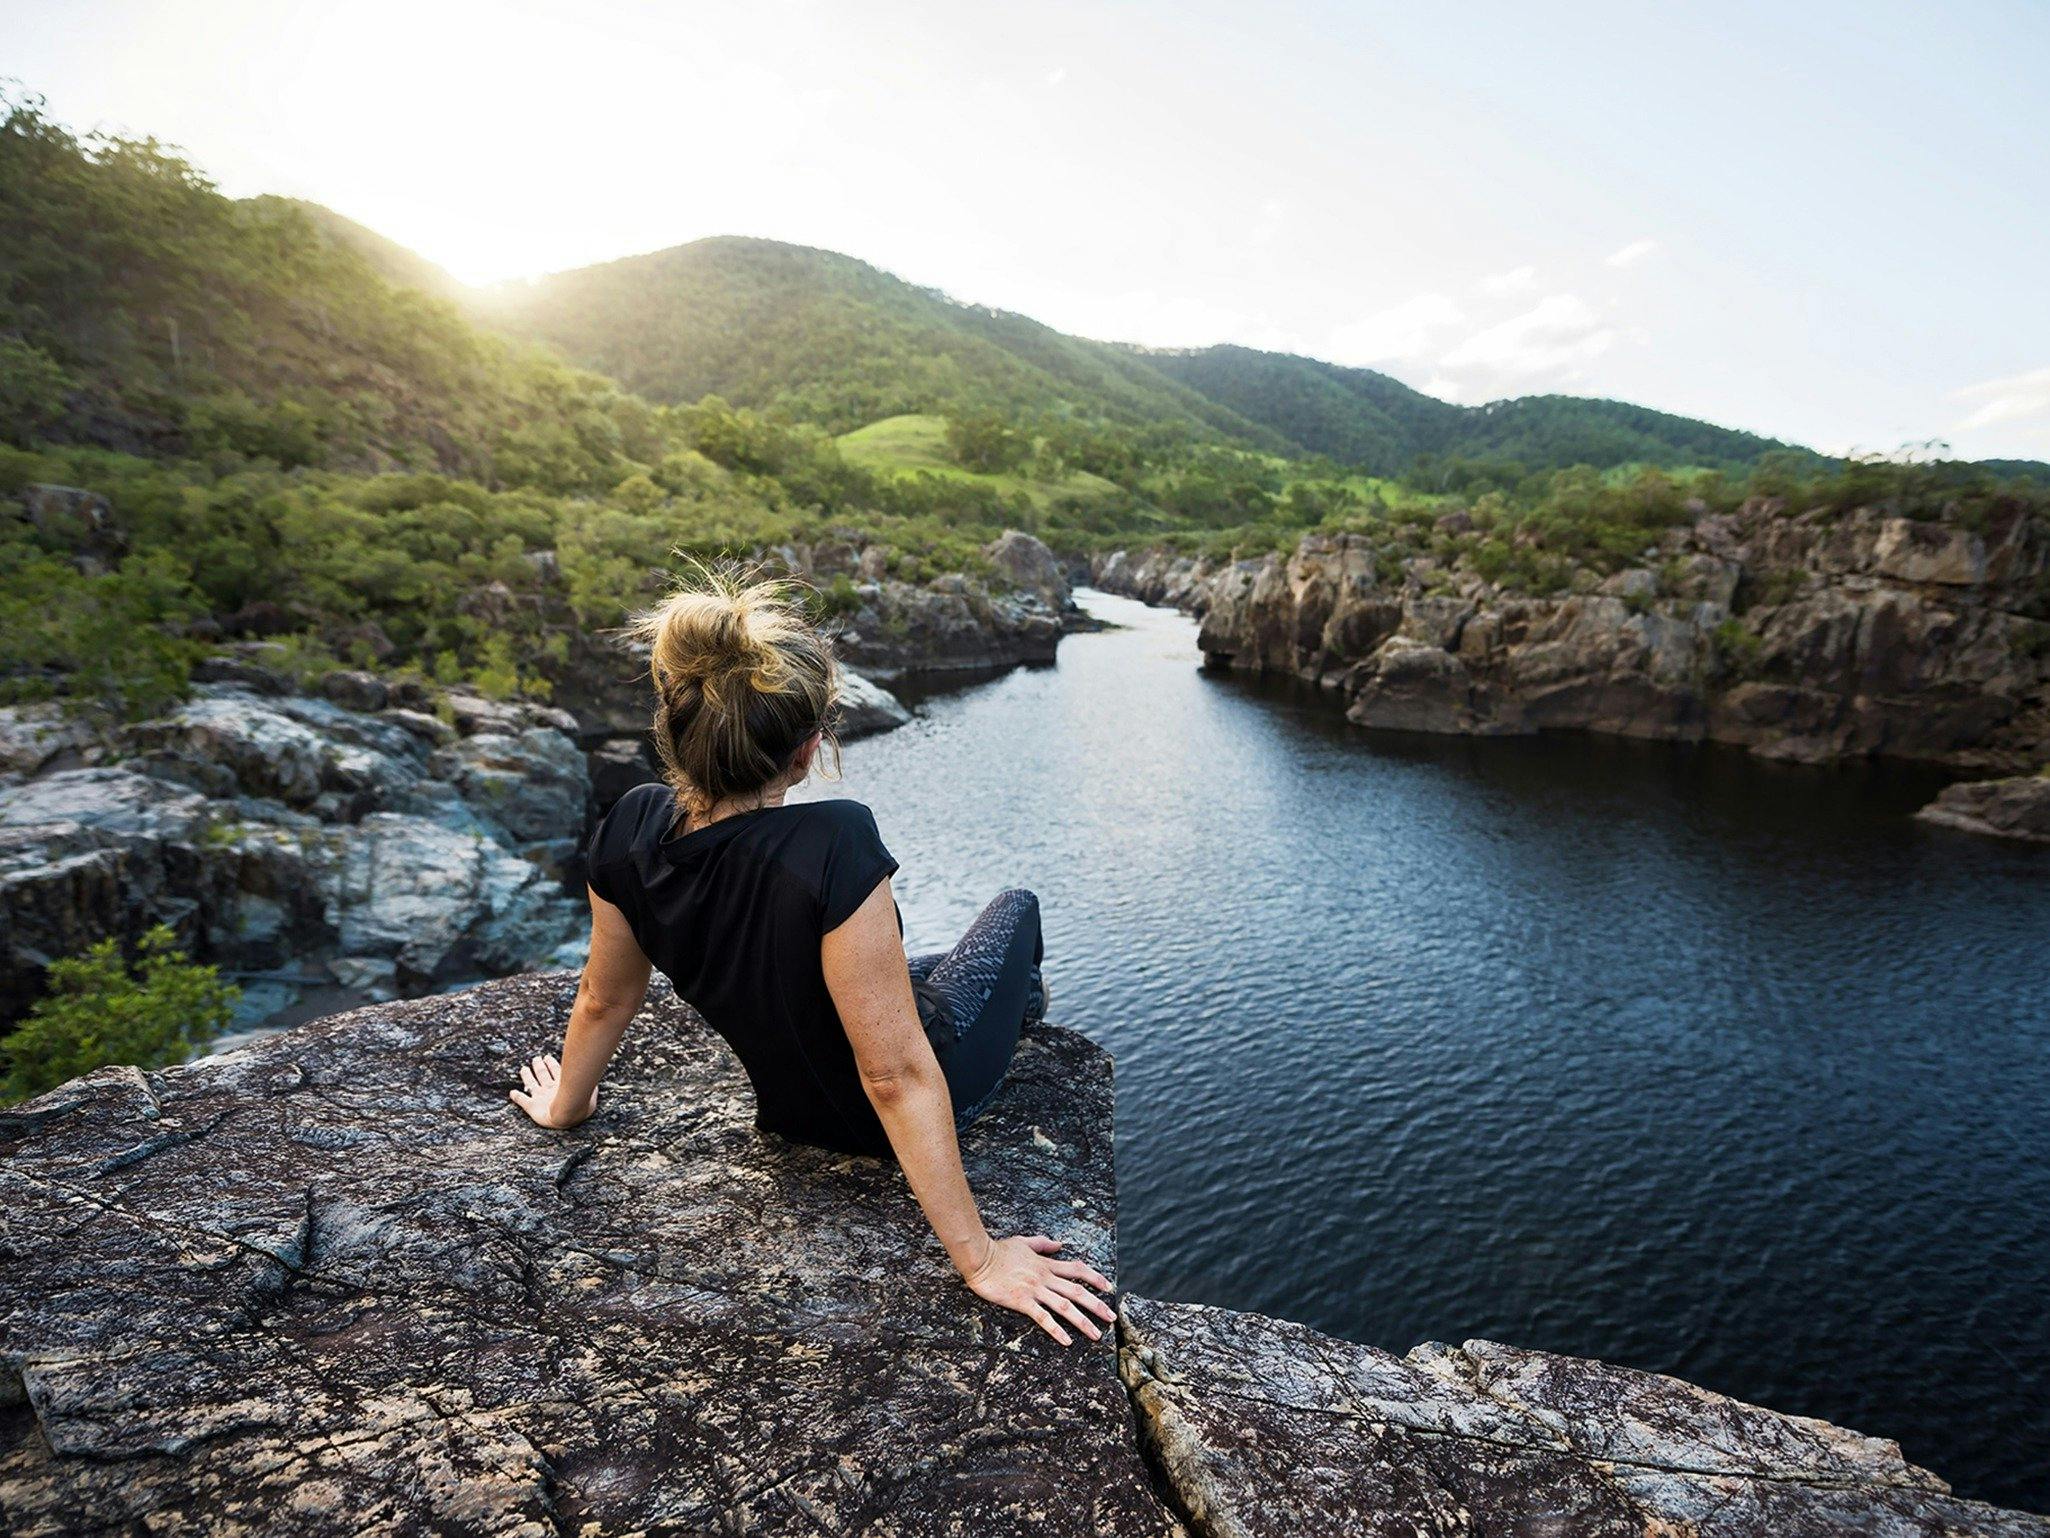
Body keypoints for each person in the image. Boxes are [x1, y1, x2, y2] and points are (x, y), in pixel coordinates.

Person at [508, 564, 1115, 1346]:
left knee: (913, 968)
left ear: (678, 729)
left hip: (789, 1113)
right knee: (1014, 912)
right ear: (804, 752)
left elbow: (604, 997)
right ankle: (1025, 1015)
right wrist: (982, 1260)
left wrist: (569, 1106)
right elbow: (894, 1074)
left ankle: (960, 1001)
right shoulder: (834, 842)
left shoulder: (628, 826)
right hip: (917, 1092)